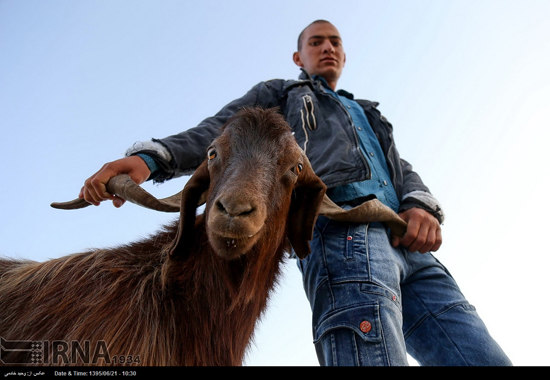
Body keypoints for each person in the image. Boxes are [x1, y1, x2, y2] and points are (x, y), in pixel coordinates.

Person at [79, 20, 511, 366]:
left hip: (411, 246)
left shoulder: (368, 113)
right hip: (343, 230)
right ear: (298, 56)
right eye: (317, 41)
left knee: (484, 357)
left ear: (344, 54)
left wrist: (420, 205)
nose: (328, 48)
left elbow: (402, 170)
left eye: (335, 42)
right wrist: (154, 158)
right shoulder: (281, 93)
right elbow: (221, 130)